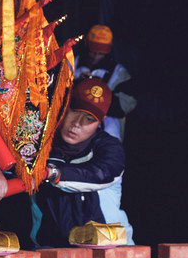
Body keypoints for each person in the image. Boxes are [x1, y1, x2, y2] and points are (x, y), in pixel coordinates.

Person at [31, 77, 126, 248]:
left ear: (100, 123)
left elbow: (99, 173)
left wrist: (53, 173)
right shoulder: (40, 143)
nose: (77, 124)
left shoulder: (109, 147)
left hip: (111, 250)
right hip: (50, 249)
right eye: (74, 111)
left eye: (89, 119)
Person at [75, 24, 136, 243]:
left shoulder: (119, 72)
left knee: (107, 201)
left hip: (105, 145)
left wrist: (95, 91)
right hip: (75, 144)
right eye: (93, 49)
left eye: (102, 50)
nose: (96, 54)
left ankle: (123, 253)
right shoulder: (73, 64)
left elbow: (126, 105)